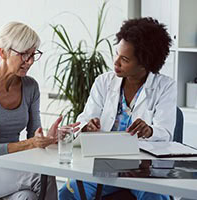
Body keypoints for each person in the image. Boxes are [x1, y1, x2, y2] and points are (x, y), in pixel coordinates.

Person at [0, 21, 79, 200]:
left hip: (8, 169)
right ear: (2, 52)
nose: (29, 62)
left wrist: (48, 139)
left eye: (33, 55)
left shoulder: (30, 87)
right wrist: (33, 143)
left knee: (27, 197)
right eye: (23, 55)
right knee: (41, 177)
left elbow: (32, 137)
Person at [59, 17, 175, 200]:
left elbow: (166, 132)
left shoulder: (165, 87)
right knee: (68, 192)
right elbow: (82, 120)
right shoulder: (104, 82)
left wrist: (150, 130)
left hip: (143, 168)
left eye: (125, 59)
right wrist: (87, 126)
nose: (116, 63)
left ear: (144, 63)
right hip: (105, 165)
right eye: (116, 54)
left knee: (154, 198)